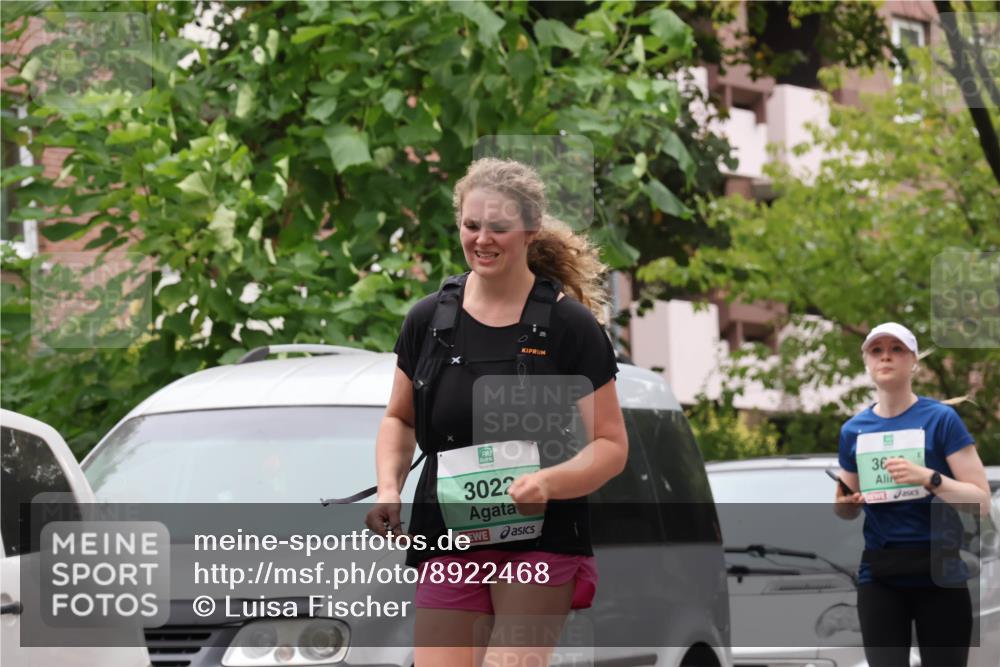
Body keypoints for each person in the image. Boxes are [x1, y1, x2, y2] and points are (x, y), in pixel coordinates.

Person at [366, 158, 628, 667]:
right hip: (448, 535)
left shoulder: (569, 327)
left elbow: (611, 446)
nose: (482, 238)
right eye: (471, 225)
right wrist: (389, 488)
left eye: (499, 227)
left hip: (541, 538)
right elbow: (399, 419)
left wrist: (548, 483)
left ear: (529, 231)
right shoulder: (428, 319)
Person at [835, 322, 991, 667]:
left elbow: (980, 502)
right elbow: (845, 507)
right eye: (877, 350)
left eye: (896, 349)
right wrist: (845, 504)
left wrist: (930, 478)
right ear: (867, 362)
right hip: (881, 573)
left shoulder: (941, 420)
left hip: (940, 570)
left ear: (913, 361)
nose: (886, 356)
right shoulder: (853, 430)